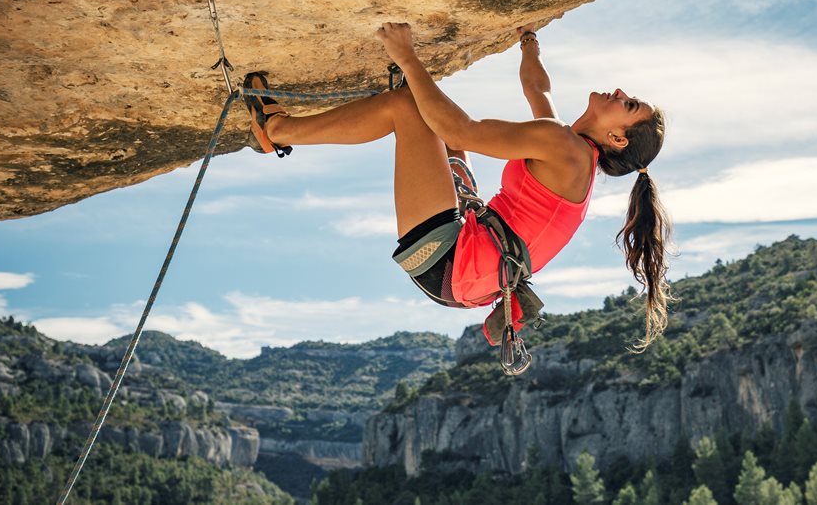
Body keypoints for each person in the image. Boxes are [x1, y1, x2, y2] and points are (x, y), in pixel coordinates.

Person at [243, 23, 671, 351]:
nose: (620, 92)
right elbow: (537, 88)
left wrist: (408, 57)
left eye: (629, 104)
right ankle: (374, 100)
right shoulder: (570, 147)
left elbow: (462, 130)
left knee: (408, 107)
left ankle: (277, 130)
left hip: (450, 262)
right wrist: (528, 40)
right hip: (469, 267)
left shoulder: (567, 149)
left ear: (618, 139)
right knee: (431, 113)